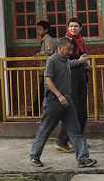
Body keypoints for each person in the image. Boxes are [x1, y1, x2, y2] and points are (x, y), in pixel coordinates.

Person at [29, 37, 97, 168]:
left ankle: (83, 158)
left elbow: (72, 63)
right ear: (59, 48)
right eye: (68, 49)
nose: (70, 52)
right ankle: (34, 156)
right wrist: (59, 95)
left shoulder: (66, 61)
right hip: (54, 102)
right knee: (45, 130)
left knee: (75, 130)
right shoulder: (52, 61)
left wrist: (81, 60)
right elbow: (47, 80)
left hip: (67, 101)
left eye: (71, 49)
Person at [55, 17, 90, 152]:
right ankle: (62, 140)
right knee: (73, 111)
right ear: (68, 28)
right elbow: (62, 62)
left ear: (80, 28)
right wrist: (80, 62)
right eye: (71, 26)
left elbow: (82, 56)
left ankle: (78, 140)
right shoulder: (65, 42)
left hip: (81, 76)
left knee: (82, 111)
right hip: (70, 78)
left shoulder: (80, 40)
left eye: (76, 26)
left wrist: (86, 64)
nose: (73, 28)